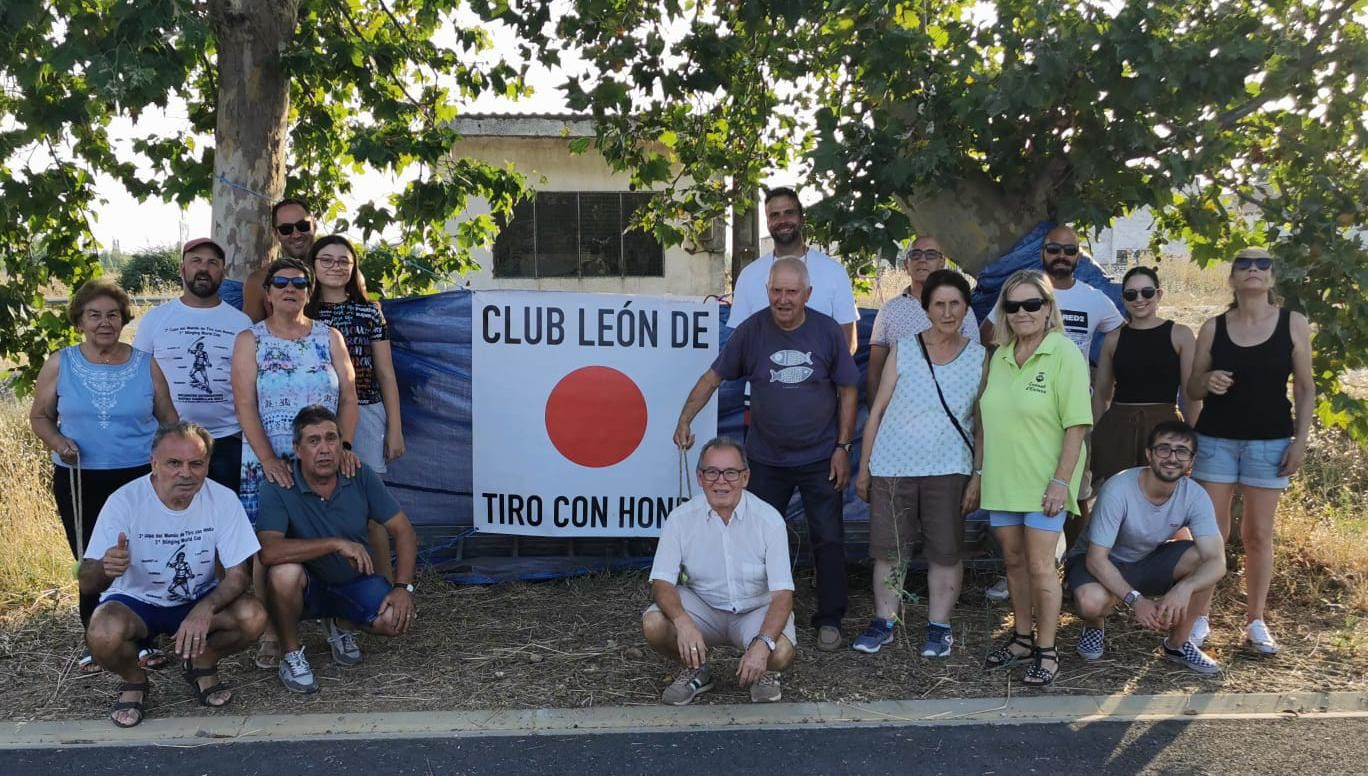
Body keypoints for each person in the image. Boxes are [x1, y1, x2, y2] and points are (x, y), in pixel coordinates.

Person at [675, 257, 859, 651]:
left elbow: (848, 390)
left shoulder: (827, 332)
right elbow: (713, 378)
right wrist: (685, 419)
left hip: (820, 456)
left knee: (827, 537)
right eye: (776, 290)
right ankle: (756, 614)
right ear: (767, 291)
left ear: (808, 294)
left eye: (792, 292)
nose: (783, 299)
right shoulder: (751, 331)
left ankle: (829, 619)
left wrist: (843, 447)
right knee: (749, 537)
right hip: (765, 459)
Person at [29, 278, 178, 672]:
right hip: (80, 477)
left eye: (113, 315)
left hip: (138, 478)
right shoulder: (61, 362)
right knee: (92, 561)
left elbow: (169, 421)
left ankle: (143, 640)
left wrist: (166, 464)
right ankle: (96, 638)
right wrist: (59, 442)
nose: (104, 323)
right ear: (79, 320)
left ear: (125, 319)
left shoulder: (146, 363)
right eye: (94, 315)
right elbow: (40, 416)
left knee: (139, 556)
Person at [79, 422, 266, 727]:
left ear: (207, 464)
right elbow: (87, 581)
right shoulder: (124, 501)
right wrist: (104, 568)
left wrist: (205, 609)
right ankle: (134, 680)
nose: (186, 473)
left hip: (196, 598)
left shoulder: (222, 499)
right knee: (102, 633)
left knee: (253, 616)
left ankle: (202, 660)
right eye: (174, 463)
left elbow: (239, 575)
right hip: (136, 602)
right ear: (154, 463)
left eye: (196, 463)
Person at [980, 226, 1124, 600]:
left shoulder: (1094, 299)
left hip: (1071, 410)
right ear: (1041, 252)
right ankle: (1024, 572)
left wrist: (1100, 382)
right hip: (1024, 404)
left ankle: (1053, 570)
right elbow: (987, 335)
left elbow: (1124, 337)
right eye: (1053, 249)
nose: (1061, 255)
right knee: (1014, 498)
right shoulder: (1018, 291)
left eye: (1069, 250)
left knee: (1071, 494)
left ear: (1079, 255)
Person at [231, 257, 359, 667]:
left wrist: (345, 449)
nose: (291, 288)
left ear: (309, 291)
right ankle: (271, 629)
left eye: (299, 283)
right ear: (267, 293)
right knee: (266, 547)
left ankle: (337, 618)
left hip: (325, 458)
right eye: (281, 282)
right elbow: (245, 403)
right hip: (270, 461)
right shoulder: (250, 340)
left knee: (332, 532)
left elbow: (350, 398)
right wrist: (268, 458)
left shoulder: (330, 337)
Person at [1186, 247, 1315, 655]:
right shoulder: (1213, 327)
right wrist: (1207, 381)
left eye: (1263, 265)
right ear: (1233, 279)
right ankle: (1198, 618)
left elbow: (1306, 388)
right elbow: (1191, 388)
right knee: (1211, 535)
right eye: (1244, 265)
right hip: (1216, 441)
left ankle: (1255, 620)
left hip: (1271, 442)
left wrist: (1300, 441)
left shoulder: (1293, 324)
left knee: (1258, 534)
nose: (1254, 270)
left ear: (1272, 278)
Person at [854, 270, 987, 657]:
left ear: (965, 308)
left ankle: (938, 627)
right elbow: (877, 410)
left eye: (954, 304)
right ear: (926, 308)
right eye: (938, 304)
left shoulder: (981, 358)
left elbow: (981, 424)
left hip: (949, 467)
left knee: (945, 551)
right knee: (889, 550)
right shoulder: (906, 348)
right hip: (893, 465)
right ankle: (885, 622)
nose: (947, 312)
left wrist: (978, 476)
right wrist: (864, 467)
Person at [978, 270, 1092, 687]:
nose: (1023, 312)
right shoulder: (1001, 355)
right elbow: (986, 422)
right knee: (1013, 563)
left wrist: (1061, 482)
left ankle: (1047, 649)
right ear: (1004, 312)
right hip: (1003, 482)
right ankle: (1021, 638)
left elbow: (1077, 426)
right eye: (1013, 306)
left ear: (1048, 309)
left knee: (1043, 566)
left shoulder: (1064, 353)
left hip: (1045, 486)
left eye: (1032, 304)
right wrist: (978, 473)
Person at [256, 405, 419, 694]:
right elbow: (268, 551)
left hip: (351, 581)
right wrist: (334, 544)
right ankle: (291, 654)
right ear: (297, 449)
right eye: (313, 441)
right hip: (306, 589)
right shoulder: (279, 483)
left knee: (394, 621)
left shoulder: (359, 474)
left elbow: (403, 530)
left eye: (331, 439)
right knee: (283, 573)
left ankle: (340, 625)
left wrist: (402, 587)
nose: (324, 449)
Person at [642, 437, 796, 705]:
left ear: (745, 477)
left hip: (754, 610)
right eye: (711, 472)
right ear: (700, 477)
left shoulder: (768, 520)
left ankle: (763, 671)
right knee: (654, 624)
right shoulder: (680, 519)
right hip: (704, 605)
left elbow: (783, 595)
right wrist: (683, 622)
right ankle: (696, 669)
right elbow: (661, 583)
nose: (721, 481)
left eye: (731, 473)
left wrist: (762, 645)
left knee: (779, 651)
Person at [1067, 421, 1226, 674]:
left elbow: (1218, 561)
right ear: (1149, 454)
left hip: (1145, 560)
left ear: (1191, 461)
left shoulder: (1195, 495)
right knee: (1091, 602)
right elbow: (1096, 560)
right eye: (1164, 449)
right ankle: (1095, 626)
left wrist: (1184, 589)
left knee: (1204, 560)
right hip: (1098, 563)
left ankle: (1178, 643)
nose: (1172, 458)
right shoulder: (1119, 488)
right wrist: (1136, 601)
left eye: (1181, 451)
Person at [305, 235, 406, 579]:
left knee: (369, 503)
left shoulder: (369, 311)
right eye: (327, 260)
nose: (336, 267)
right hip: (315, 417)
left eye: (343, 261)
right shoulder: (304, 312)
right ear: (313, 266)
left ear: (354, 267)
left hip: (366, 412)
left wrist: (395, 427)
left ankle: (385, 584)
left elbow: (386, 372)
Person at [134, 238, 253, 492]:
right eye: (196, 261)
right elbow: (137, 375)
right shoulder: (156, 319)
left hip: (227, 440)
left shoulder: (241, 323)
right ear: (182, 269)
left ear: (223, 271)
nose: (204, 268)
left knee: (223, 518)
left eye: (212, 263)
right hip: (169, 440)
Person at [1091, 266, 1200, 487]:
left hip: (1165, 429)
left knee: (1163, 497)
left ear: (1159, 294)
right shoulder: (1113, 338)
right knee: (1117, 496)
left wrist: (1196, 438)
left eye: (1147, 292)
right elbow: (1102, 394)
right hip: (1118, 429)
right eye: (1131, 294)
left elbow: (1190, 395)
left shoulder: (1180, 334)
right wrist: (1093, 437)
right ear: (1123, 299)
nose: (1139, 299)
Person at [725, 187, 859, 352]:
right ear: (767, 223)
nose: (782, 221)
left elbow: (848, 344)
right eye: (774, 215)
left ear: (802, 218)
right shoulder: (749, 276)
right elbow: (738, 344)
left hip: (820, 377)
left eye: (789, 213)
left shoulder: (834, 272)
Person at [867, 237, 980, 404]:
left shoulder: (962, 310)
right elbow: (875, 371)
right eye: (915, 254)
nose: (922, 260)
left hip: (950, 409)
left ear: (942, 262)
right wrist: (876, 417)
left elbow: (974, 364)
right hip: (900, 414)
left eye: (930, 254)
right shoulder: (889, 311)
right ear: (906, 264)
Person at [243, 198, 317, 322]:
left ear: (314, 225)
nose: (296, 234)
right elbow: (250, 334)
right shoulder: (258, 281)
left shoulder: (337, 272)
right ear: (275, 234)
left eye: (303, 226)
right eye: (286, 229)